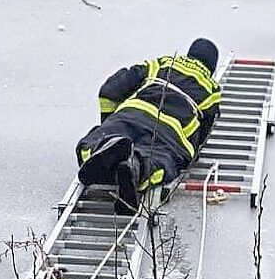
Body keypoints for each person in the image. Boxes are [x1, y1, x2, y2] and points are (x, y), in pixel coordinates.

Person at [75, 38, 221, 214]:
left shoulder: (161, 64)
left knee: (91, 142)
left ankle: (103, 147)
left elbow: (109, 91)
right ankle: (134, 167)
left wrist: (108, 122)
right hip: (168, 132)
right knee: (158, 162)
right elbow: (201, 140)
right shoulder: (211, 88)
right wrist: (187, 155)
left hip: (131, 114)